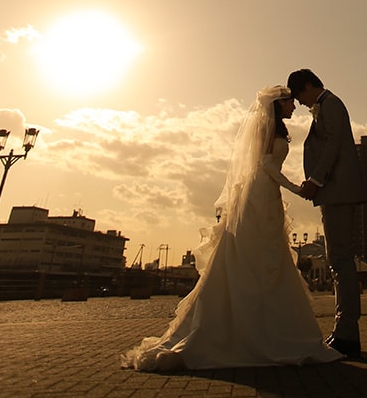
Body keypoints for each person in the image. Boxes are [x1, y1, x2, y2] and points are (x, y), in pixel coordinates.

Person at [121, 86, 342, 371]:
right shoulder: (269, 133)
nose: (294, 106)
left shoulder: (276, 131)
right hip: (260, 195)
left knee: (265, 257)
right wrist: (296, 188)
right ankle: (253, 332)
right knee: (255, 257)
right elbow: (265, 164)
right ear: (279, 105)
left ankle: (270, 329)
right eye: (289, 102)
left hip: (267, 195)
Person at [286, 68, 366, 358]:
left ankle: (347, 335)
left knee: (340, 261)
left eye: (300, 95)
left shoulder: (330, 104)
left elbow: (333, 145)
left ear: (309, 85)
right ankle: (344, 331)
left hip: (338, 191)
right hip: (335, 192)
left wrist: (315, 181)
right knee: (338, 260)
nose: (302, 103)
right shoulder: (327, 104)